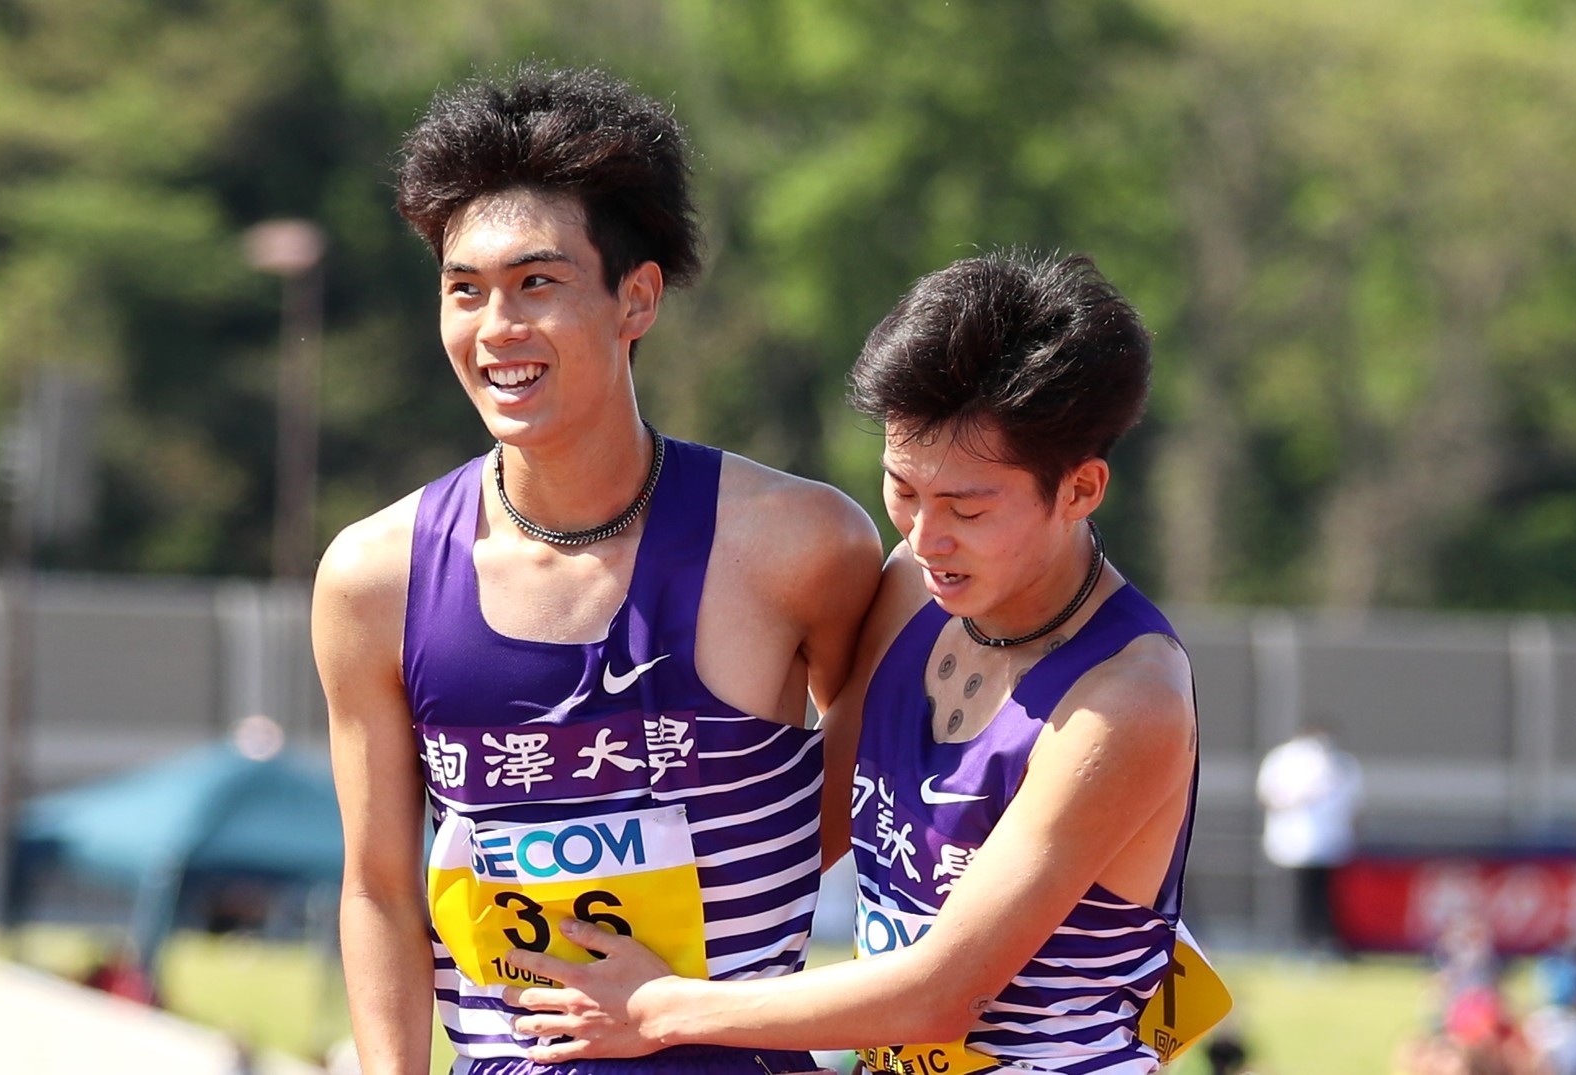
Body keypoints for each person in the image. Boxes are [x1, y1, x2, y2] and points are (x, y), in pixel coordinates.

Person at [501, 251, 1212, 1075]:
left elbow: (941, 991)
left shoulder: (1125, 703)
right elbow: (813, 822)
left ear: (1082, 489)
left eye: (968, 508)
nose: (923, 535)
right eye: (902, 488)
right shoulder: (913, 591)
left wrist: (660, 1007)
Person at [311, 65, 882, 1075]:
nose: (496, 330)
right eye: (463, 291)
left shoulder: (799, 543)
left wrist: (714, 945)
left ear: (637, 297)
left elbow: (874, 775)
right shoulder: (374, 578)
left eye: (537, 283)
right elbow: (379, 890)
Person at [1254, 721, 1362, 954]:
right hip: (1291, 843)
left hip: (1328, 845)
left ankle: (1320, 943)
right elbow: (1269, 795)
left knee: (1322, 898)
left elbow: (1351, 805)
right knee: (1294, 898)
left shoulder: (1341, 764)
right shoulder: (1284, 759)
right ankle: (1294, 943)